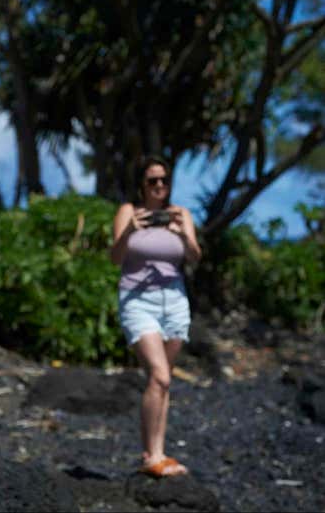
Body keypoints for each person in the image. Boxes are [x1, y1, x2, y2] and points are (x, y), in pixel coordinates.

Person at [110, 155, 202, 477]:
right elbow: (115, 258)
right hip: (138, 300)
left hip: (175, 301)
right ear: (142, 184)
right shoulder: (128, 212)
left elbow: (194, 257)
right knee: (159, 374)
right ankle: (151, 456)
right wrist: (129, 232)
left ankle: (157, 452)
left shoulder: (182, 214)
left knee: (164, 382)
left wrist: (183, 234)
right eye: (153, 181)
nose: (160, 186)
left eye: (164, 180)